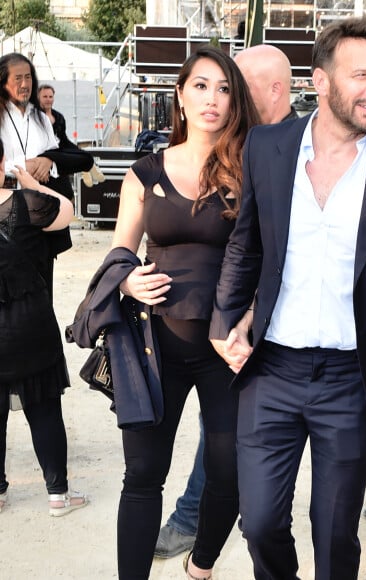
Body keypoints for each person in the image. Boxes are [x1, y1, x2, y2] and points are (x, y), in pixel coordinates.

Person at [209, 16, 366, 580]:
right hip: (269, 371)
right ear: (320, 82)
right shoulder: (268, 147)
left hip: (352, 378)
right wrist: (228, 320)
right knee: (262, 523)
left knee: (334, 533)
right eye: (362, 75)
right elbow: (245, 245)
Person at [110, 45, 259, 579]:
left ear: (235, 99)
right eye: (200, 85)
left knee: (230, 472)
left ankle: (201, 566)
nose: (211, 99)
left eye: (223, 88)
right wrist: (126, 277)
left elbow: (267, 253)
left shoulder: (251, 168)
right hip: (156, 346)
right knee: (144, 474)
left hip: (228, 346)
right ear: (180, 94)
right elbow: (120, 250)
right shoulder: (144, 172)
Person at [0, 138, 88, 516]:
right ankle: (57, 494)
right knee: (44, 409)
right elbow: (66, 212)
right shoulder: (26, 204)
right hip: (30, 323)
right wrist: (33, 185)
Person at [0, 53, 71, 292]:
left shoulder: (41, 117)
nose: (24, 84)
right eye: (17, 78)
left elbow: (55, 156)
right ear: (3, 82)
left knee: (42, 286)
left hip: (39, 210)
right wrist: (25, 166)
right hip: (7, 211)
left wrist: (47, 161)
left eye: (28, 77)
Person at [37, 84, 105, 191]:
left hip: (59, 155)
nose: (48, 100)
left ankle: (88, 167)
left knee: (85, 155)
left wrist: (78, 152)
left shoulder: (58, 117)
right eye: (45, 97)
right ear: (38, 98)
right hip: (44, 156)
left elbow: (64, 140)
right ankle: (86, 167)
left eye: (50, 97)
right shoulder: (35, 117)